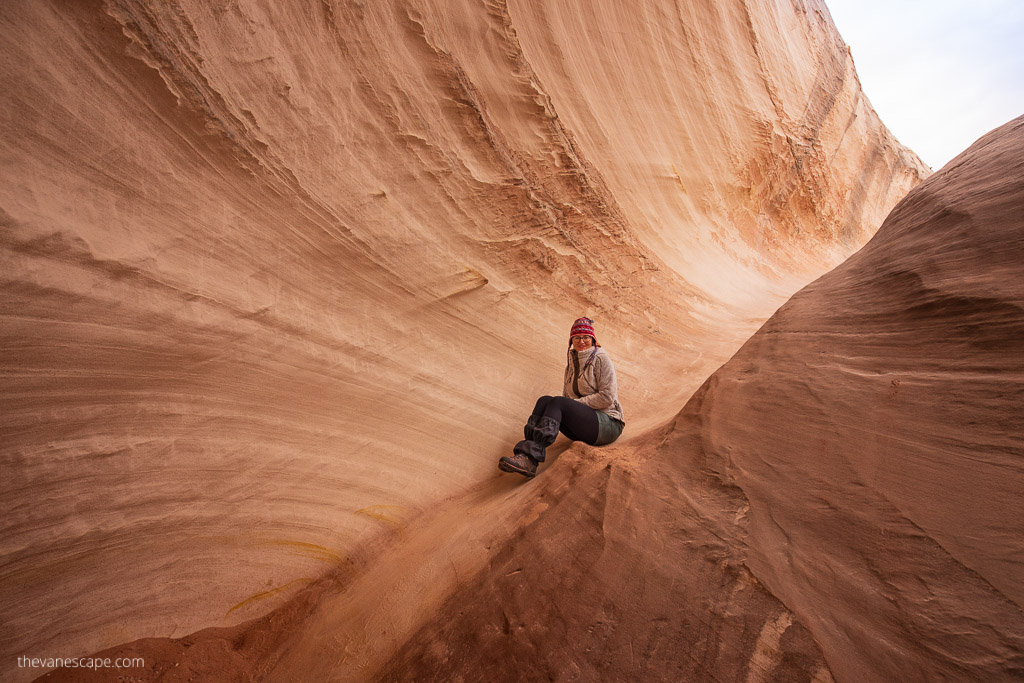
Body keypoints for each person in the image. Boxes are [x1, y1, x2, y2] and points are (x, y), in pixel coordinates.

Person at [499, 317, 625, 478]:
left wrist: (574, 404)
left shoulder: (601, 359)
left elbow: (607, 397)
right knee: (544, 400)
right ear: (571, 340)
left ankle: (531, 458)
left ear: (593, 339)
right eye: (577, 337)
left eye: (586, 337)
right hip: (587, 426)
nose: (582, 341)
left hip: (608, 424)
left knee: (558, 402)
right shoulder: (572, 363)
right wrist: (571, 406)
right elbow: (568, 398)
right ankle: (525, 456)